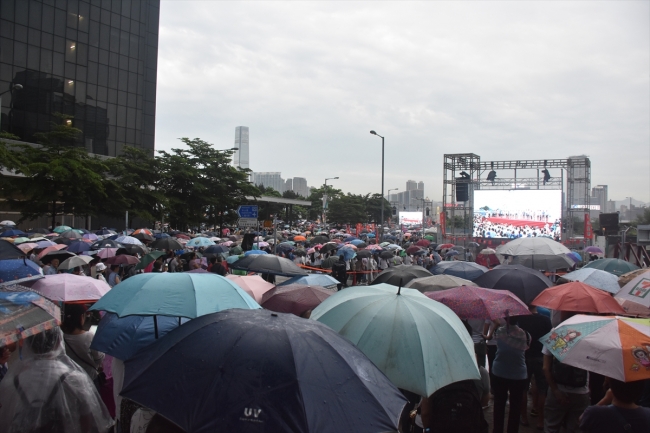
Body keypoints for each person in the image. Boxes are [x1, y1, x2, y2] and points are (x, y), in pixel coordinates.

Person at [0, 328, 113, 433]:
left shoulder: (11, 382)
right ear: (59, 342)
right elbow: (87, 421)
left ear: (27, 344)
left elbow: (5, 420)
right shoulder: (75, 379)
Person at [542, 312, 590, 433]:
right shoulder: (590, 334)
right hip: (582, 392)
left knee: (551, 426)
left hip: (558, 389)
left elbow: (545, 368)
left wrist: (556, 391)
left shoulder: (556, 332)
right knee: (575, 428)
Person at [490, 316, 530, 433]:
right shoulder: (526, 335)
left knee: (499, 404)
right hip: (519, 375)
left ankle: (497, 430)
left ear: (506, 319)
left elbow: (495, 339)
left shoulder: (499, 331)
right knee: (515, 407)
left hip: (499, 372)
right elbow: (526, 348)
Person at [518, 305, 553, 429]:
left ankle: (523, 417)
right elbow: (550, 339)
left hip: (524, 357)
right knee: (542, 389)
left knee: (523, 388)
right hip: (541, 357)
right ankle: (540, 420)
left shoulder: (520, 319)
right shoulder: (545, 319)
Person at [579, 377, 650, 432]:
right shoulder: (647, 415)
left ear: (612, 387)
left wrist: (605, 400)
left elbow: (582, 419)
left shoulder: (595, 413)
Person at [61, 304, 105, 383]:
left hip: (69, 379)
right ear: (81, 317)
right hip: (90, 378)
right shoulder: (89, 336)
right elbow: (99, 358)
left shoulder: (60, 336)